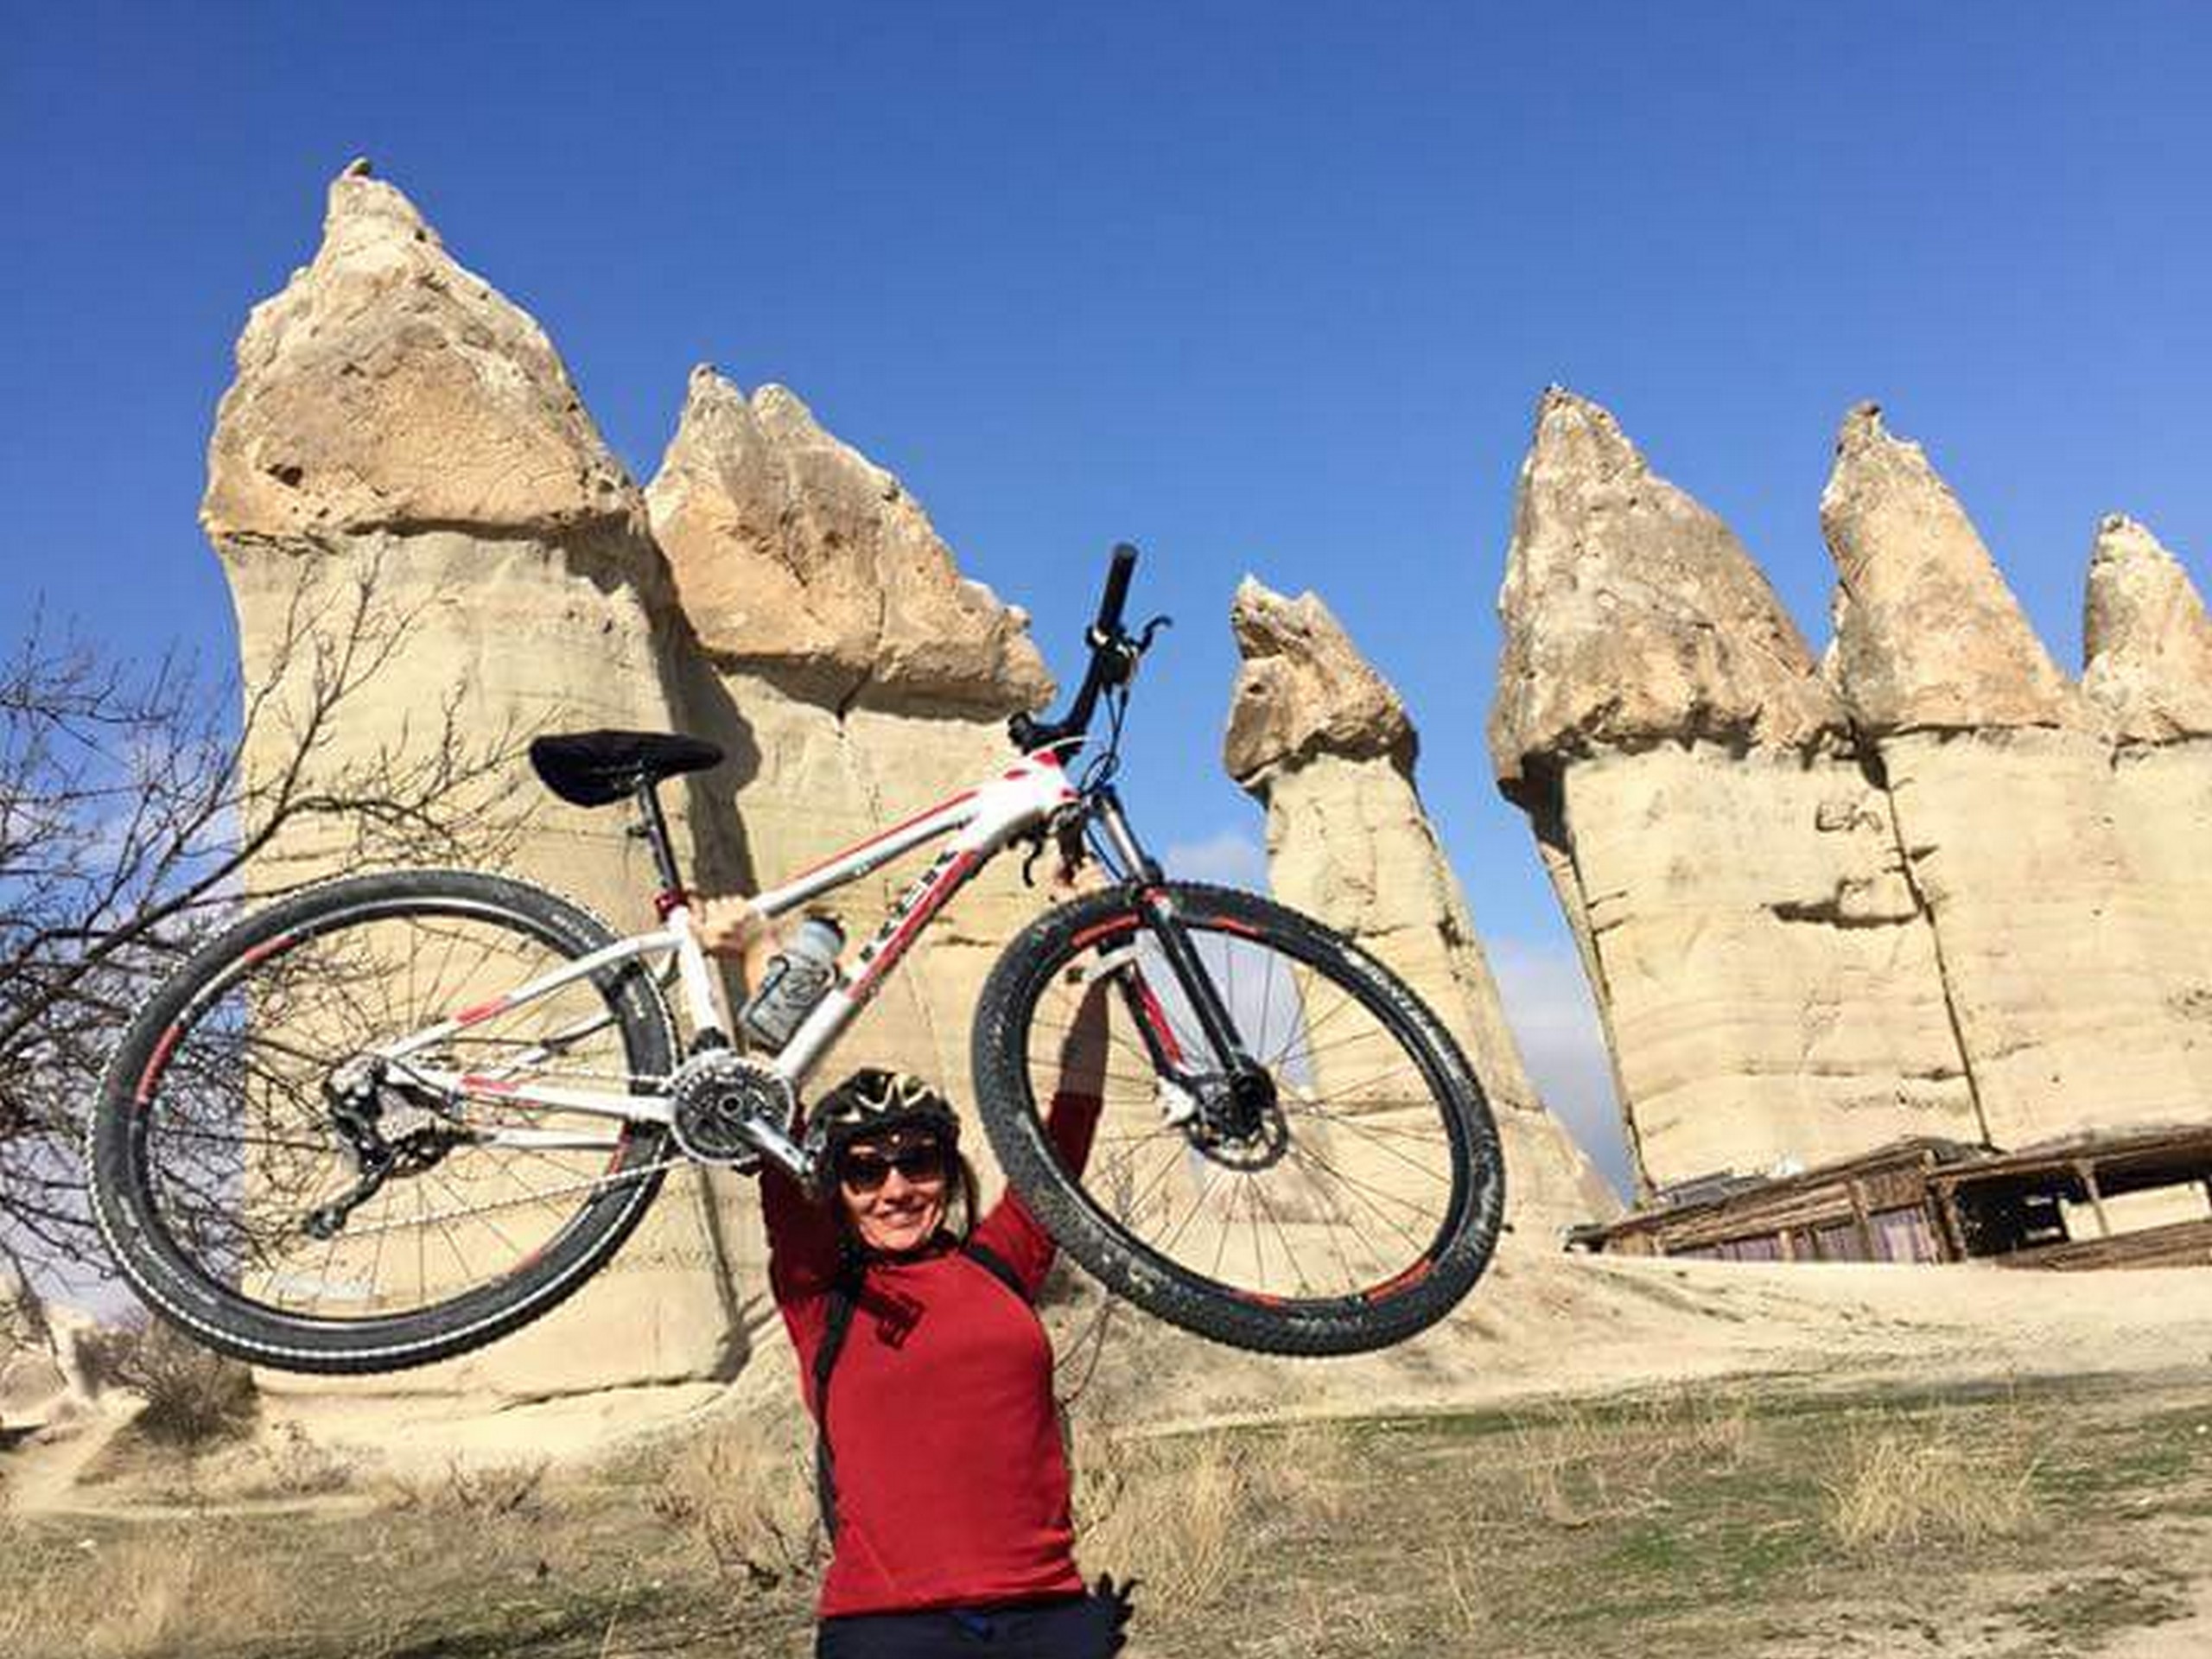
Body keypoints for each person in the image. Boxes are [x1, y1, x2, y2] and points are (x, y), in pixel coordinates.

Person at [696, 894, 1135, 1658]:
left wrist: (1087, 974)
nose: (895, 1188)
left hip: (1051, 1620)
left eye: (918, 1162)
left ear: (947, 1171)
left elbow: (1068, 1124)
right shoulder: (818, 1293)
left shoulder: (1003, 1263)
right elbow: (776, 1109)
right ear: (835, 1188)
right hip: (886, 1632)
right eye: (864, 1170)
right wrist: (762, 954)